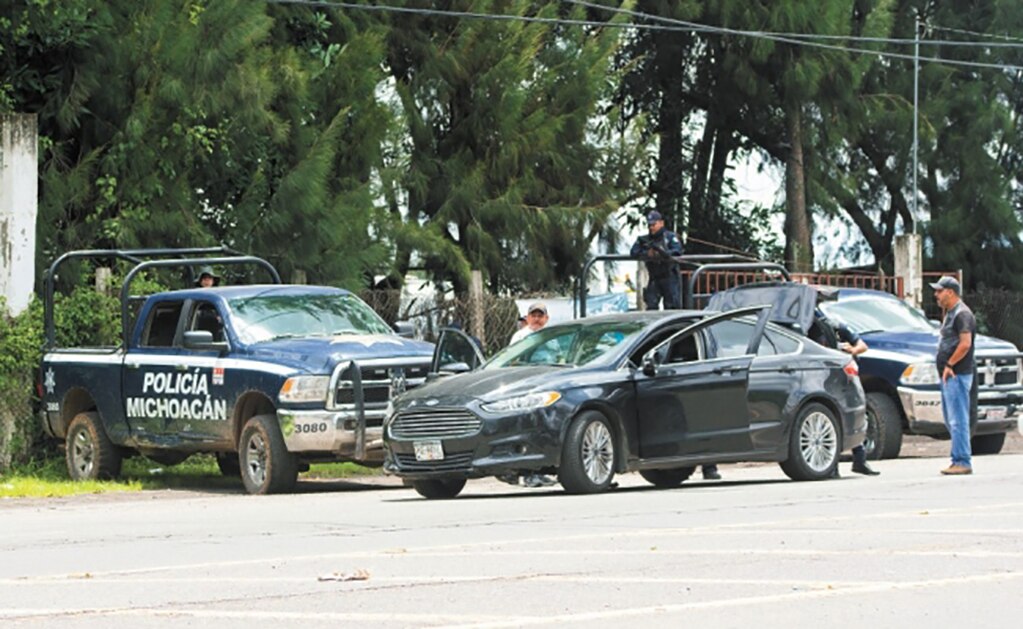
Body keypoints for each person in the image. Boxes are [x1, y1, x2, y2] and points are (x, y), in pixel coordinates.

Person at [500, 302, 556, 488]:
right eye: (534, 315)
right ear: (527, 317)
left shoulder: (552, 337)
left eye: (541, 316)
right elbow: (512, 362)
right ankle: (524, 472)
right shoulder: (522, 337)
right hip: (527, 390)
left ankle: (540, 472)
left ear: (546, 319)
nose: (537, 319)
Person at [930, 275, 976, 475]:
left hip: (957, 374)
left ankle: (962, 460)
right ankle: (958, 458)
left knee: (958, 419)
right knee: (952, 419)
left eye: (940, 291)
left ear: (950, 292)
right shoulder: (951, 313)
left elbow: (965, 344)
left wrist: (950, 364)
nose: (936, 295)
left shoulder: (962, 314)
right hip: (950, 374)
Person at [826, 312, 880, 476]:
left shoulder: (833, 324)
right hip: (824, 377)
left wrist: (852, 350)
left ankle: (860, 459)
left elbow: (862, 346)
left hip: (845, 376)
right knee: (831, 417)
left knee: (854, 414)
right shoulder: (804, 327)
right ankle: (832, 466)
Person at [630, 210, 683, 310]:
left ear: (661, 223)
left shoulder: (669, 237)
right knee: (651, 306)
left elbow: (677, 251)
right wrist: (647, 254)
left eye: (654, 224)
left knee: (672, 308)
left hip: (669, 276)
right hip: (654, 277)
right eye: (649, 225)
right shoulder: (644, 240)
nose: (651, 227)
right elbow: (634, 252)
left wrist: (663, 254)